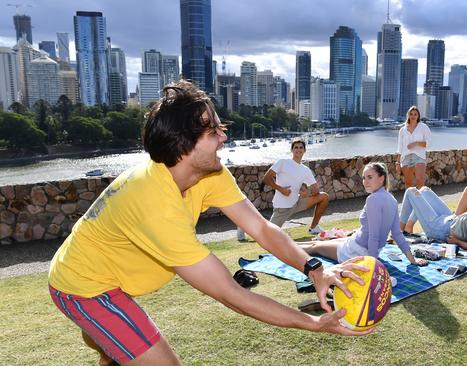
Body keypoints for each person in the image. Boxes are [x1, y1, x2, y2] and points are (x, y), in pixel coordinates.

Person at [48, 81, 371, 366]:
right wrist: (312, 323)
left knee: (121, 344)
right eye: (213, 131)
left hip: (112, 273)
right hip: (83, 286)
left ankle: (106, 344)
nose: (224, 136)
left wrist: (314, 268)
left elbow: (261, 228)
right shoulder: (154, 203)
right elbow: (233, 295)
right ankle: (105, 342)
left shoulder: (208, 173)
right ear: (182, 144)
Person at [300, 162, 428, 266]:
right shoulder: (392, 200)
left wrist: (372, 265)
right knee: (324, 242)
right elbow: (397, 234)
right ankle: (286, 245)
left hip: (356, 250)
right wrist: (412, 259)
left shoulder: (373, 199)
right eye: (364, 178)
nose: (365, 181)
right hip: (363, 246)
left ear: (381, 178)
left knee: (315, 246)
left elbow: (374, 236)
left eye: (370, 177)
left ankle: (284, 248)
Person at [263, 138, 329, 234]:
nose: (298, 149)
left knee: (324, 196)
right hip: (282, 208)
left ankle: (314, 228)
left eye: (301, 147)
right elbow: (266, 178)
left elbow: (315, 189)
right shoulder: (283, 162)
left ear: (304, 150)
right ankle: (244, 226)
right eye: (296, 147)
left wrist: (307, 193)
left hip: (296, 203)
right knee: (269, 234)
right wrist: (281, 190)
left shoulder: (305, 170)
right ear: (292, 150)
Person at [396, 106, 432, 190]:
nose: (413, 116)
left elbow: (429, 143)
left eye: (415, 114)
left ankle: (420, 202)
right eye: (411, 114)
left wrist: (416, 143)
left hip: (419, 156)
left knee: (420, 181)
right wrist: (397, 162)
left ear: (418, 116)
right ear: (408, 115)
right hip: (406, 157)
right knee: (408, 184)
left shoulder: (423, 127)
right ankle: (411, 202)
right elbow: (400, 147)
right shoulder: (402, 130)